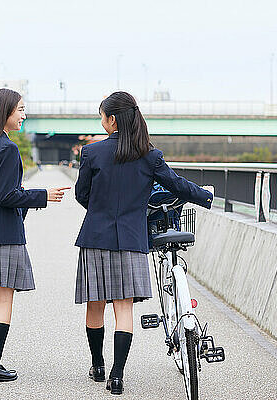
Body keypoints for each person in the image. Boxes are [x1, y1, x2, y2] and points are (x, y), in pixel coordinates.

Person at [74, 91, 213, 395]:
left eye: (102, 116)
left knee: (95, 304)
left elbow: (81, 195)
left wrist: (101, 211)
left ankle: (97, 365)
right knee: (123, 309)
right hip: (132, 238)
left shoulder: (92, 153)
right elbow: (176, 185)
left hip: (96, 236)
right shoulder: (150, 155)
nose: (101, 122)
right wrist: (205, 196)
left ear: (112, 120)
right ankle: (117, 375)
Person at [0, 88, 70, 384]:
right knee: (5, 296)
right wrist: (43, 195)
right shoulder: (6, 148)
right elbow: (7, 196)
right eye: (20, 109)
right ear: (5, 112)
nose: (24, 115)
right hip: (1, 233)